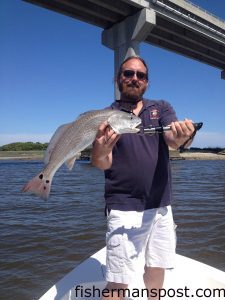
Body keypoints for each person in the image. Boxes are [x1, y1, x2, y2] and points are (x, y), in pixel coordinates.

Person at [91, 56, 195, 300]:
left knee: (157, 267)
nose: (134, 78)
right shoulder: (106, 116)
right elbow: (101, 163)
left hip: (161, 206)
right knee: (118, 282)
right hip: (123, 207)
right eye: (128, 73)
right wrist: (101, 151)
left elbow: (172, 140)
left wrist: (183, 138)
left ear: (147, 82)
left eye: (141, 75)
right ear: (118, 79)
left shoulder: (161, 107)